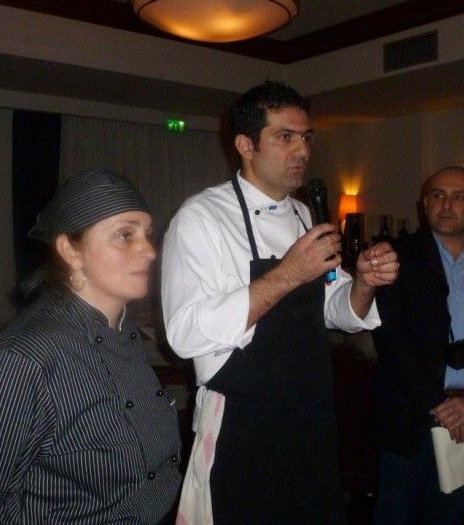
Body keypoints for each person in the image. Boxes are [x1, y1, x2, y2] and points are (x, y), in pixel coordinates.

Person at [161, 81, 399, 524]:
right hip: (242, 423)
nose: (302, 150)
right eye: (285, 137)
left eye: (306, 137)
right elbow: (184, 333)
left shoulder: (304, 214)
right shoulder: (201, 218)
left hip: (311, 416)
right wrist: (289, 273)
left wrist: (364, 284)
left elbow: (333, 304)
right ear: (245, 145)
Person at [0, 169, 182, 524]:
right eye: (124, 235)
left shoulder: (122, 330)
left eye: (147, 234)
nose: (149, 251)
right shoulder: (21, 359)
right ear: (71, 250)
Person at [371, 166, 464, 525]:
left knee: (450, 516)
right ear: (425, 203)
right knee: (395, 516)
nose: (447, 204)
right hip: (410, 415)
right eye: (438, 195)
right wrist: (437, 405)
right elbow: (389, 339)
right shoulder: (396, 256)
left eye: (459, 197)